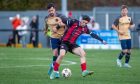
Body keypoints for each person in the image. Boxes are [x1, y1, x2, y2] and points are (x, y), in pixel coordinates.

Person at [50, 15, 107, 79]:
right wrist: (59, 23)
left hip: (72, 44)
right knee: (62, 55)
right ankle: (54, 72)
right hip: (65, 42)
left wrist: (102, 40)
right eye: (83, 22)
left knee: (83, 53)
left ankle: (84, 71)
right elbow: (64, 19)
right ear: (81, 20)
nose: (84, 24)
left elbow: (92, 34)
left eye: (86, 23)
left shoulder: (85, 28)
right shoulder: (73, 22)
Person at [44, 3, 68, 76]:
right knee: (55, 54)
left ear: (54, 9)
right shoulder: (46, 18)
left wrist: (58, 27)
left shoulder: (61, 16)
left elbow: (66, 23)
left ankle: (52, 67)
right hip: (53, 38)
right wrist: (45, 30)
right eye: (49, 11)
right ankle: (56, 72)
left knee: (60, 55)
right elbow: (46, 25)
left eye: (52, 10)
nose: (51, 12)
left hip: (62, 38)